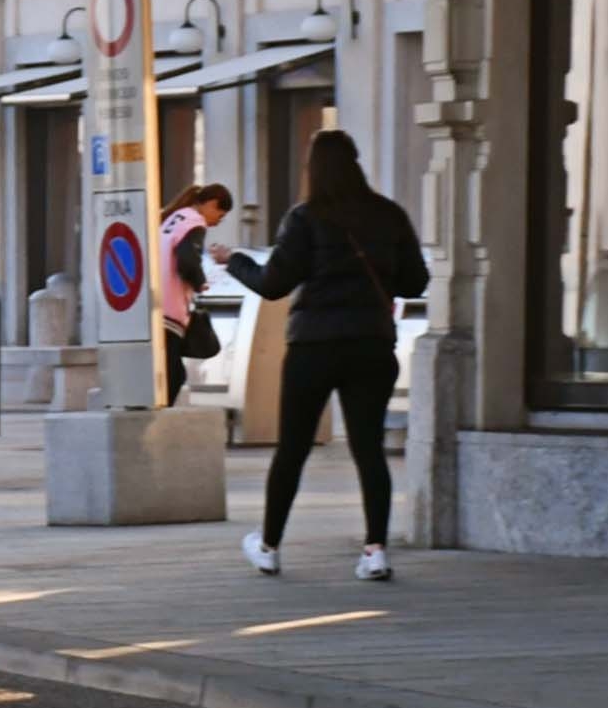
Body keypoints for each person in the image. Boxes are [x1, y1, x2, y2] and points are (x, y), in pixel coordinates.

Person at [224, 130, 428, 582]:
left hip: (313, 347)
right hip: (371, 345)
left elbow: (273, 284)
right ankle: (375, 551)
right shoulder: (389, 215)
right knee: (369, 450)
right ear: (356, 163)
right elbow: (416, 282)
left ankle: (270, 546)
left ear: (312, 169)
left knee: (292, 450)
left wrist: (234, 261)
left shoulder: (305, 217)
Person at [156, 182, 234, 407]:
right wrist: (200, 283)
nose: (217, 222)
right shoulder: (194, 222)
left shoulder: (174, 218)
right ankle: (153, 429)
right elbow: (188, 260)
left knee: (166, 372)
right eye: (220, 215)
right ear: (211, 204)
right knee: (173, 375)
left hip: (155, 307)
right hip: (169, 310)